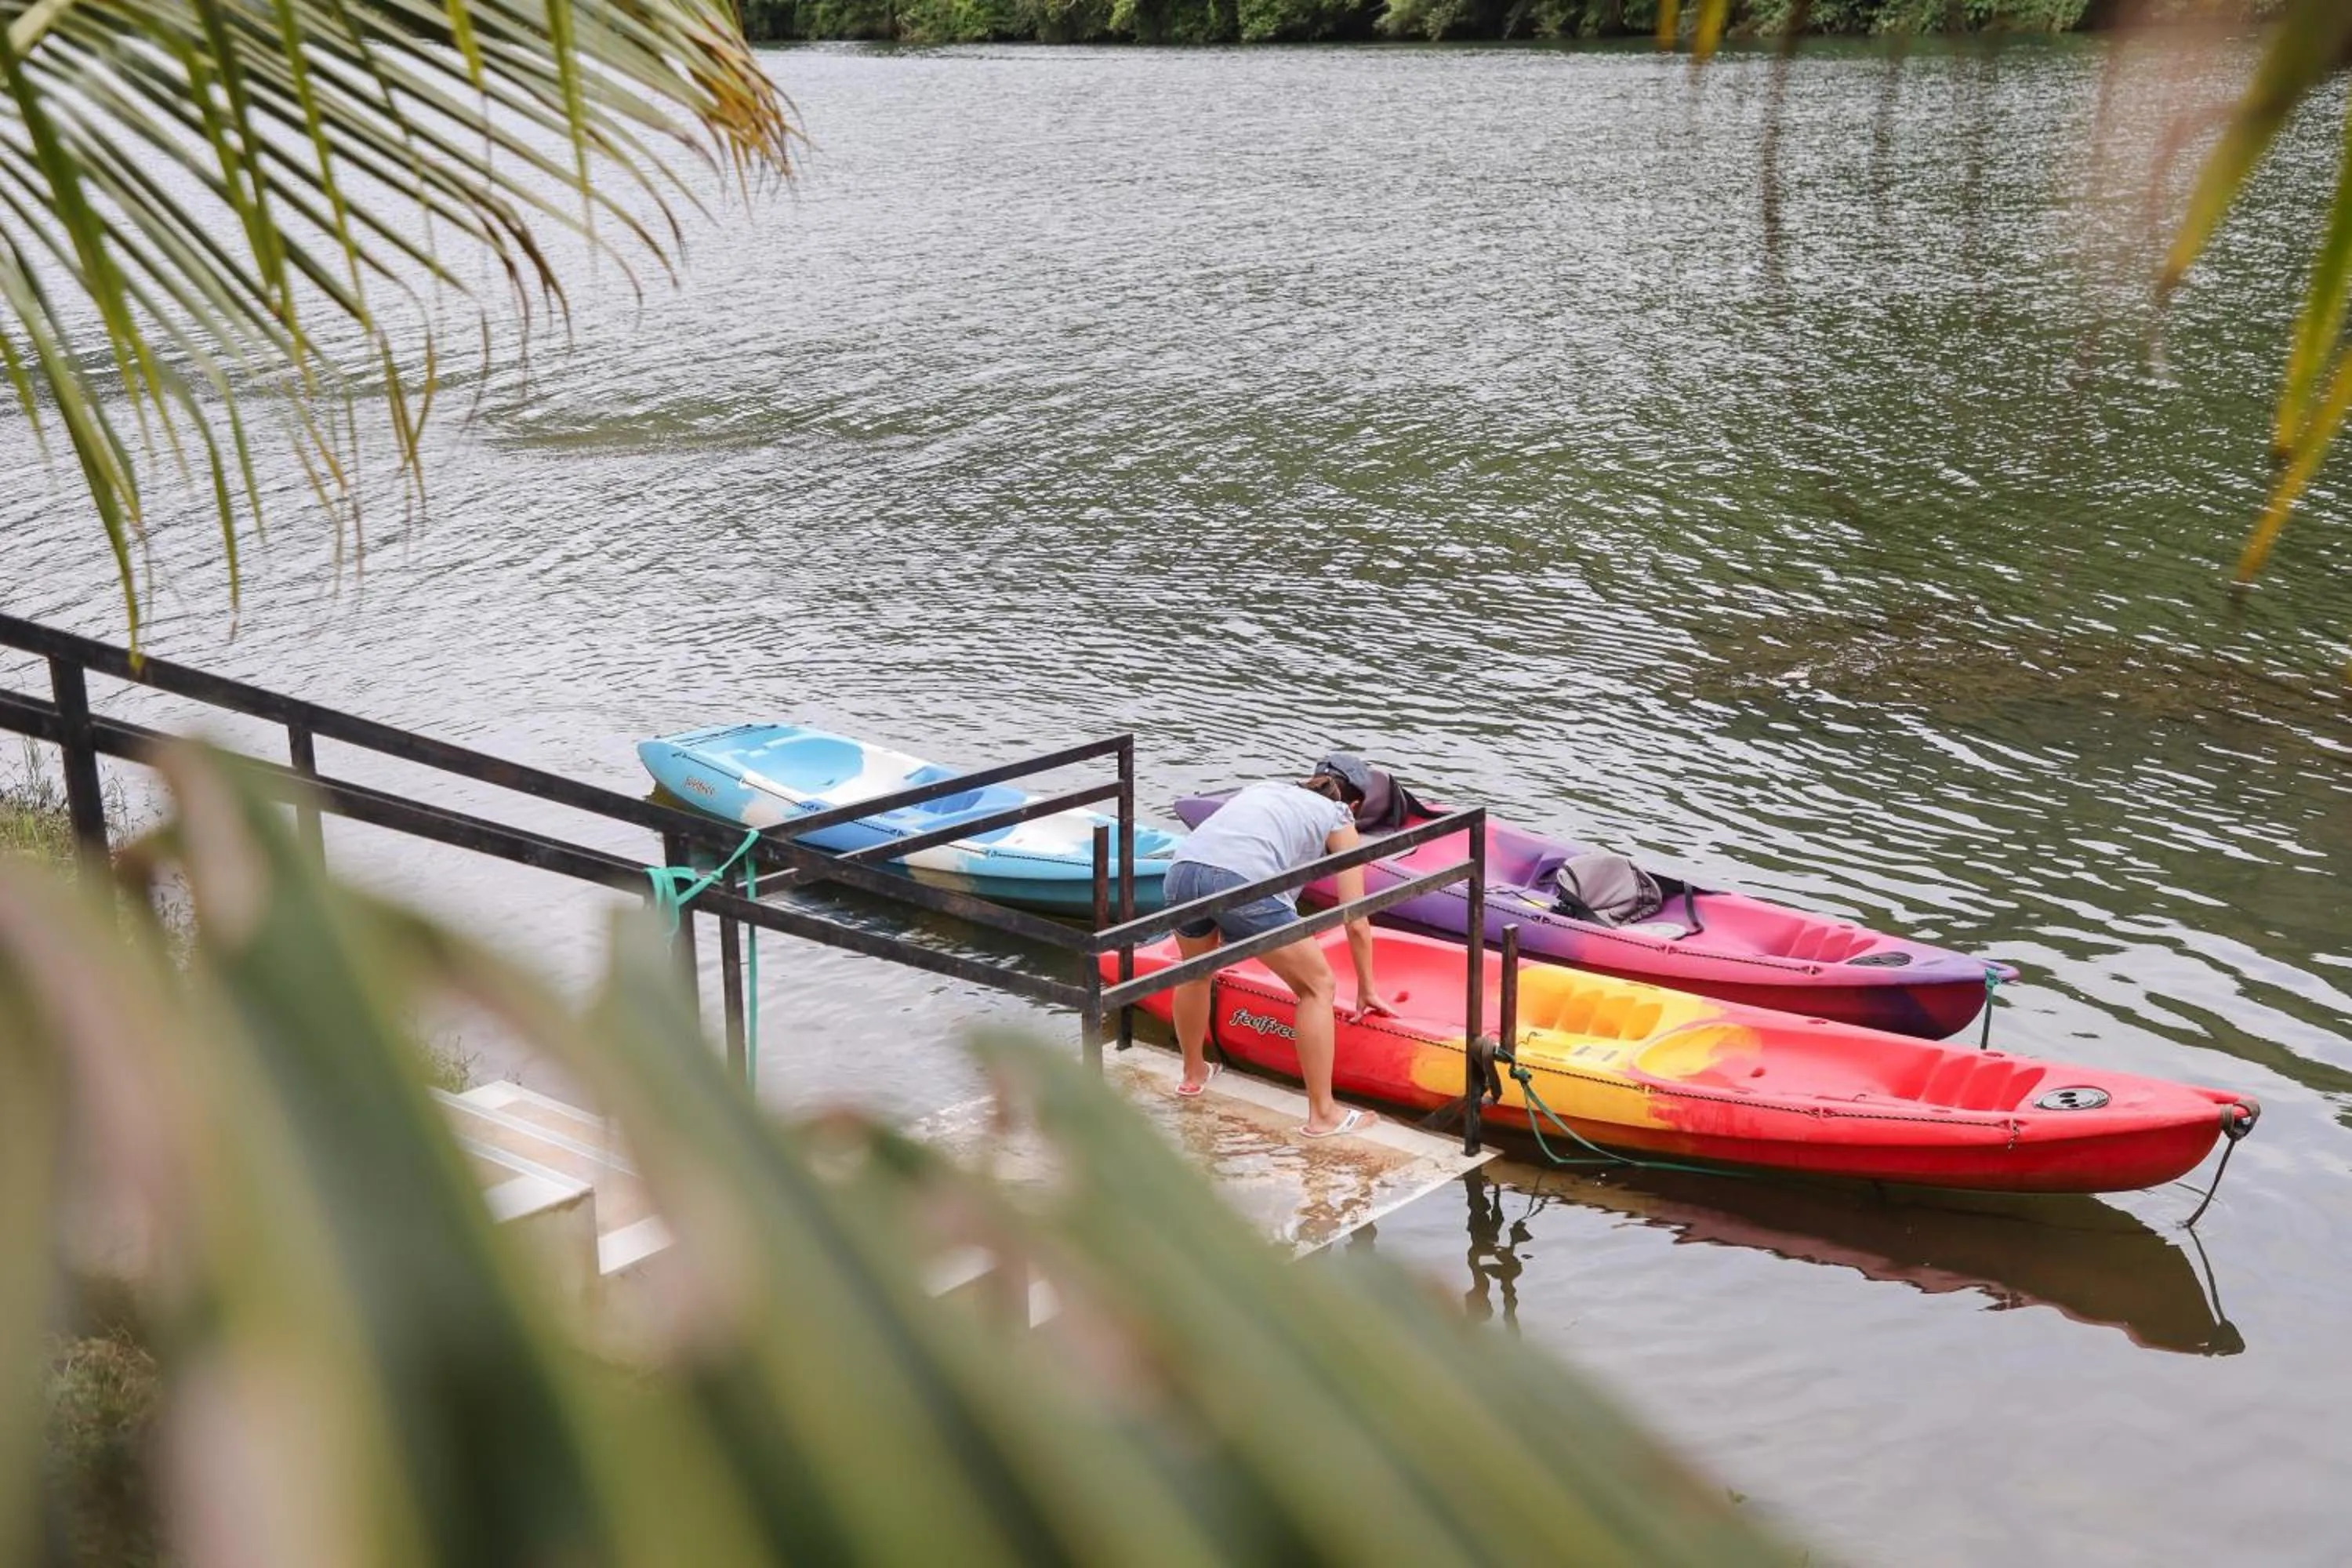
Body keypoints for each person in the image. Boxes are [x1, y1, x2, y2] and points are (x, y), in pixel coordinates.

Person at [1162, 753, 1393, 1138]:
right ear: (1354, 804)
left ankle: (1193, 1074)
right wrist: (1367, 987)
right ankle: (1324, 1114)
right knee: (1318, 987)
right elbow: (1355, 918)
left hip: (1181, 871)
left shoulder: (1266, 788)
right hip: (1242, 881)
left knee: (1196, 972)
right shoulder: (1339, 816)